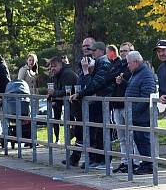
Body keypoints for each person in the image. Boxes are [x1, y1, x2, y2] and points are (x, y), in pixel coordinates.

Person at [71, 41, 113, 170]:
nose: (92, 53)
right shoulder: (98, 63)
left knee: (101, 132)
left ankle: (104, 161)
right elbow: (86, 84)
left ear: (101, 51)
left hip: (102, 103)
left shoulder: (104, 63)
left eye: (94, 51)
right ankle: (96, 159)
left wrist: (86, 72)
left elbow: (94, 85)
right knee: (95, 132)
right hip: (97, 104)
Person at [124, 51, 157, 174]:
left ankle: (148, 165)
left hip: (142, 115)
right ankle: (145, 163)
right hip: (136, 114)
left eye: (129, 63)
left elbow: (146, 95)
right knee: (139, 139)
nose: (127, 66)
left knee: (144, 139)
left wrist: (135, 111)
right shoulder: (138, 73)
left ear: (136, 62)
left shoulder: (146, 74)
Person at [111, 42, 134, 173]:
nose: (123, 53)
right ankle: (125, 161)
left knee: (132, 134)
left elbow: (133, 85)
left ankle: (135, 161)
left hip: (128, 105)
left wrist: (123, 81)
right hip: (117, 104)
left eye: (126, 51)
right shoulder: (118, 65)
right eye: (121, 51)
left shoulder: (134, 67)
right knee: (121, 137)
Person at [46, 56, 78, 146]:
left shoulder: (67, 74)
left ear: (60, 65)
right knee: (58, 119)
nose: (52, 68)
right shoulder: (56, 75)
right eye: (51, 66)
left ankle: (77, 141)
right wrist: (51, 95)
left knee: (74, 122)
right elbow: (57, 89)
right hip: (64, 102)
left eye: (54, 66)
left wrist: (54, 93)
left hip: (75, 103)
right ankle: (60, 139)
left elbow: (68, 91)